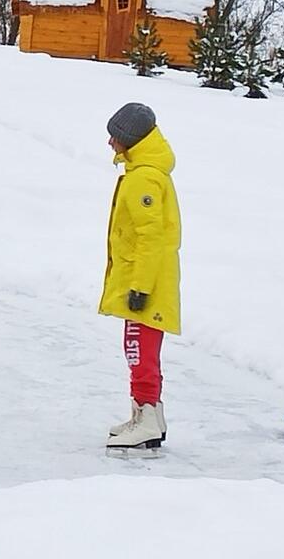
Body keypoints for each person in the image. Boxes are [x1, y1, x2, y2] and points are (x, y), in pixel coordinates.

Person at [101, 102, 183, 450]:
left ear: (131, 139)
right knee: (141, 351)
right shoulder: (143, 173)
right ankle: (148, 414)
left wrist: (139, 287)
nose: (109, 142)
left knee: (139, 351)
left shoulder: (144, 179)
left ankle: (147, 416)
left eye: (115, 136)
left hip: (144, 285)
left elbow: (151, 238)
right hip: (144, 279)